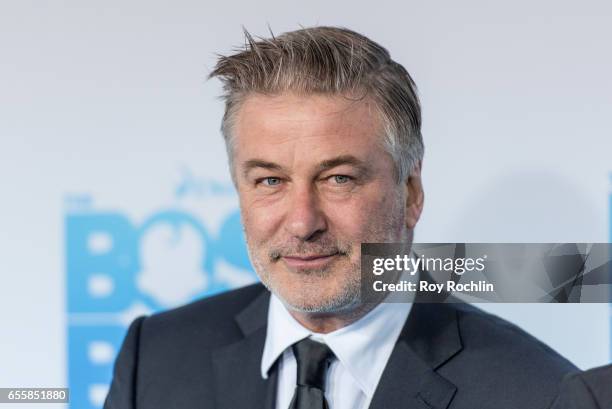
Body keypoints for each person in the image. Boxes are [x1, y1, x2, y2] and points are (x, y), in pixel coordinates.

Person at [104, 26, 576, 409]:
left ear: (410, 191)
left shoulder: (540, 393)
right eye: (270, 181)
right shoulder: (157, 357)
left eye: (338, 179)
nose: (302, 222)